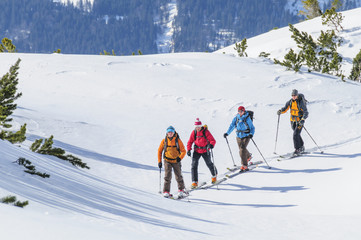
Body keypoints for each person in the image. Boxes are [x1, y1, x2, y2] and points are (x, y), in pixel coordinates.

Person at [187, 118, 217, 188]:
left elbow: (212, 140)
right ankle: (194, 181)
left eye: (198, 127)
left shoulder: (206, 132)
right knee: (194, 165)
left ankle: (214, 175)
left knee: (209, 163)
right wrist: (188, 150)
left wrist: (211, 145)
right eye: (196, 127)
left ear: (201, 126)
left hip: (205, 150)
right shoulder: (194, 132)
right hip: (196, 150)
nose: (197, 128)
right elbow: (190, 141)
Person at [157, 126, 187, 198]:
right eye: (169, 132)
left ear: (174, 133)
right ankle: (166, 191)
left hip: (176, 160)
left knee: (178, 175)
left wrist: (179, 158)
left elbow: (183, 151)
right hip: (167, 160)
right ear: (167, 133)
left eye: (171, 132)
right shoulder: (164, 141)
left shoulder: (178, 141)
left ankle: (181, 190)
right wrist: (159, 161)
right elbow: (159, 151)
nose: (170, 133)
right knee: (167, 176)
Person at [277, 89, 309, 155]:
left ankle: (297, 149)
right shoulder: (290, 102)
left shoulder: (300, 102)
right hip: (293, 121)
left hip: (299, 121)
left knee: (295, 134)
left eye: (295, 95)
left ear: (297, 95)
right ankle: (301, 147)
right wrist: (280, 111)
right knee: (296, 134)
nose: (294, 96)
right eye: (292, 95)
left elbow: (306, 112)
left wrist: (302, 120)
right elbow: (285, 108)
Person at [223, 106, 255, 171]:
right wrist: (227, 133)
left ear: (244, 111)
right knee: (242, 149)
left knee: (242, 149)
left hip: (246, 135)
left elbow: (252, 128)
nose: (240, 112)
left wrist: (251, 134)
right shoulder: (236, 118)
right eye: (239, 111)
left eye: (241, 111)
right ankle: (248, 156)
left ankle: (244, 165)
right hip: (238, 136)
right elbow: (232, 126)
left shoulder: (247, 118)